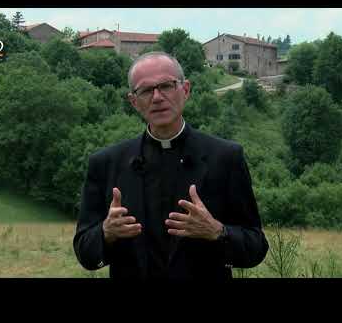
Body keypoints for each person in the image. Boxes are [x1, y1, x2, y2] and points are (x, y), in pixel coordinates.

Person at [73, 51, 269, 280]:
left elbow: (256, 247)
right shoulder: (105, 163)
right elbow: (84, 252)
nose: (157, 97)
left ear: (185, 90)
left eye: (166, 86)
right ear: (134, 102)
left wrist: (218, 232)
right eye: (146, 90)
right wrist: (105, 233)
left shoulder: (226, 158)